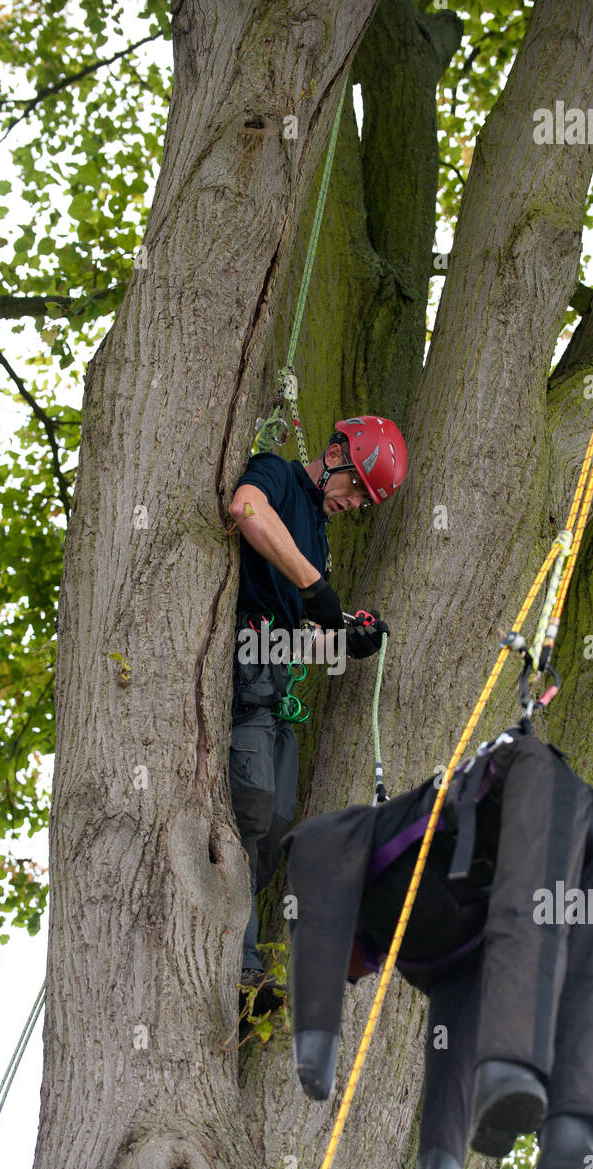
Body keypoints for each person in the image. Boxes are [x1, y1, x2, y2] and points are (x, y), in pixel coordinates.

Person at [282, 725, 593, 1169]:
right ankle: (530, 1097)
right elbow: (450, 1061)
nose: (355, 978)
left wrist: (315, 1041)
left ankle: (568, 1143)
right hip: (525, 823)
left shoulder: (348, 843)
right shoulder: (431, 962)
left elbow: (311, 877)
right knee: (574, 864)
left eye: (347, 974)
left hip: (506, 787)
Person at [227, 415, 408, 993]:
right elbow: (247, 510)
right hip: (243, 675)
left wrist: (343, 638)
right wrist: (314, 588)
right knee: (248, 813)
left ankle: (245, 962)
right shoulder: (277, 476)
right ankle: (240, 968)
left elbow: (297, 626)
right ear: (334, 454)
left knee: (277, 827)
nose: (355, 501)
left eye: (365, 498)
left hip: (276, 685)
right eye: (355, 486)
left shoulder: (319, 541)